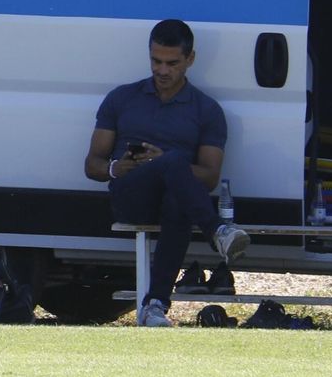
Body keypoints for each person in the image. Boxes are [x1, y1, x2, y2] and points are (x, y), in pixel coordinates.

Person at [84, 19, 249, 327]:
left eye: (172, 63)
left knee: (177, 192)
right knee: (172, 163)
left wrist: (165, 163)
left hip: (178, 198)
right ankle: (218, 232)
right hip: (131, 194)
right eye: (155, 61)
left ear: (190, 59)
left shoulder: (206, 109)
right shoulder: (122, 98)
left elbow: (210, 176)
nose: (162, 71)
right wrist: (115, 167)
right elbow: (92, 165)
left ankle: (154, 306)